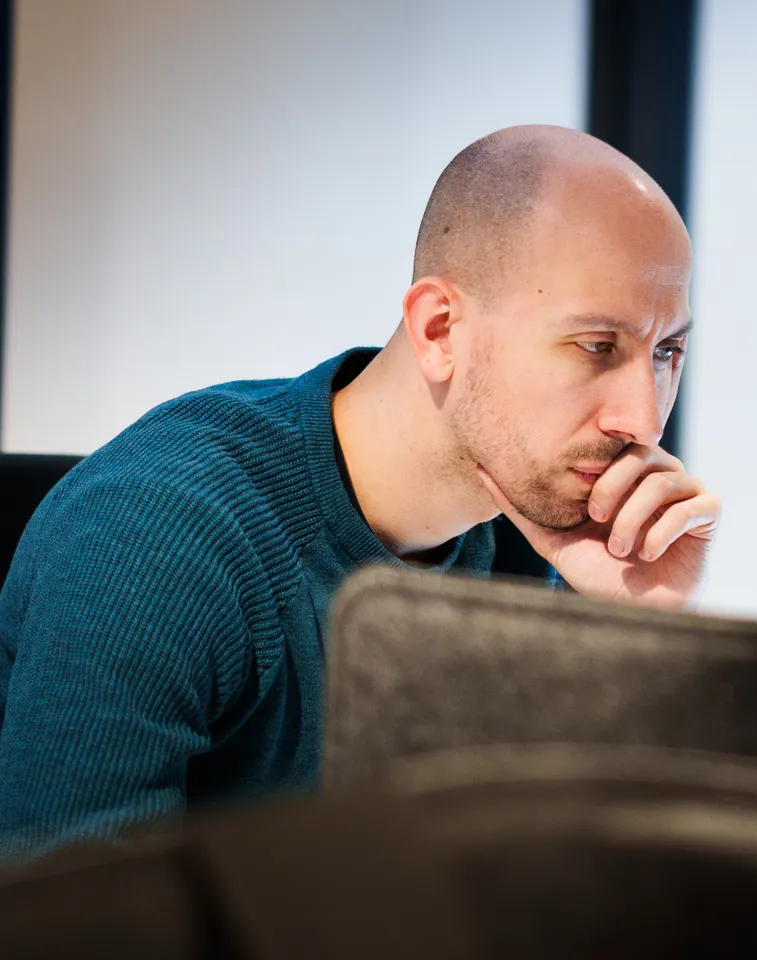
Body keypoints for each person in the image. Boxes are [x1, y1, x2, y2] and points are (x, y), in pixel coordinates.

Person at [0, 125, 719, 859]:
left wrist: (639, 639)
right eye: (596, 346)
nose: (642, 418)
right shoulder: (159, 538)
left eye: (667, 352)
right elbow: (69, 926)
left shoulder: (555, 540)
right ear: (440, 330)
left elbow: (603, 898)